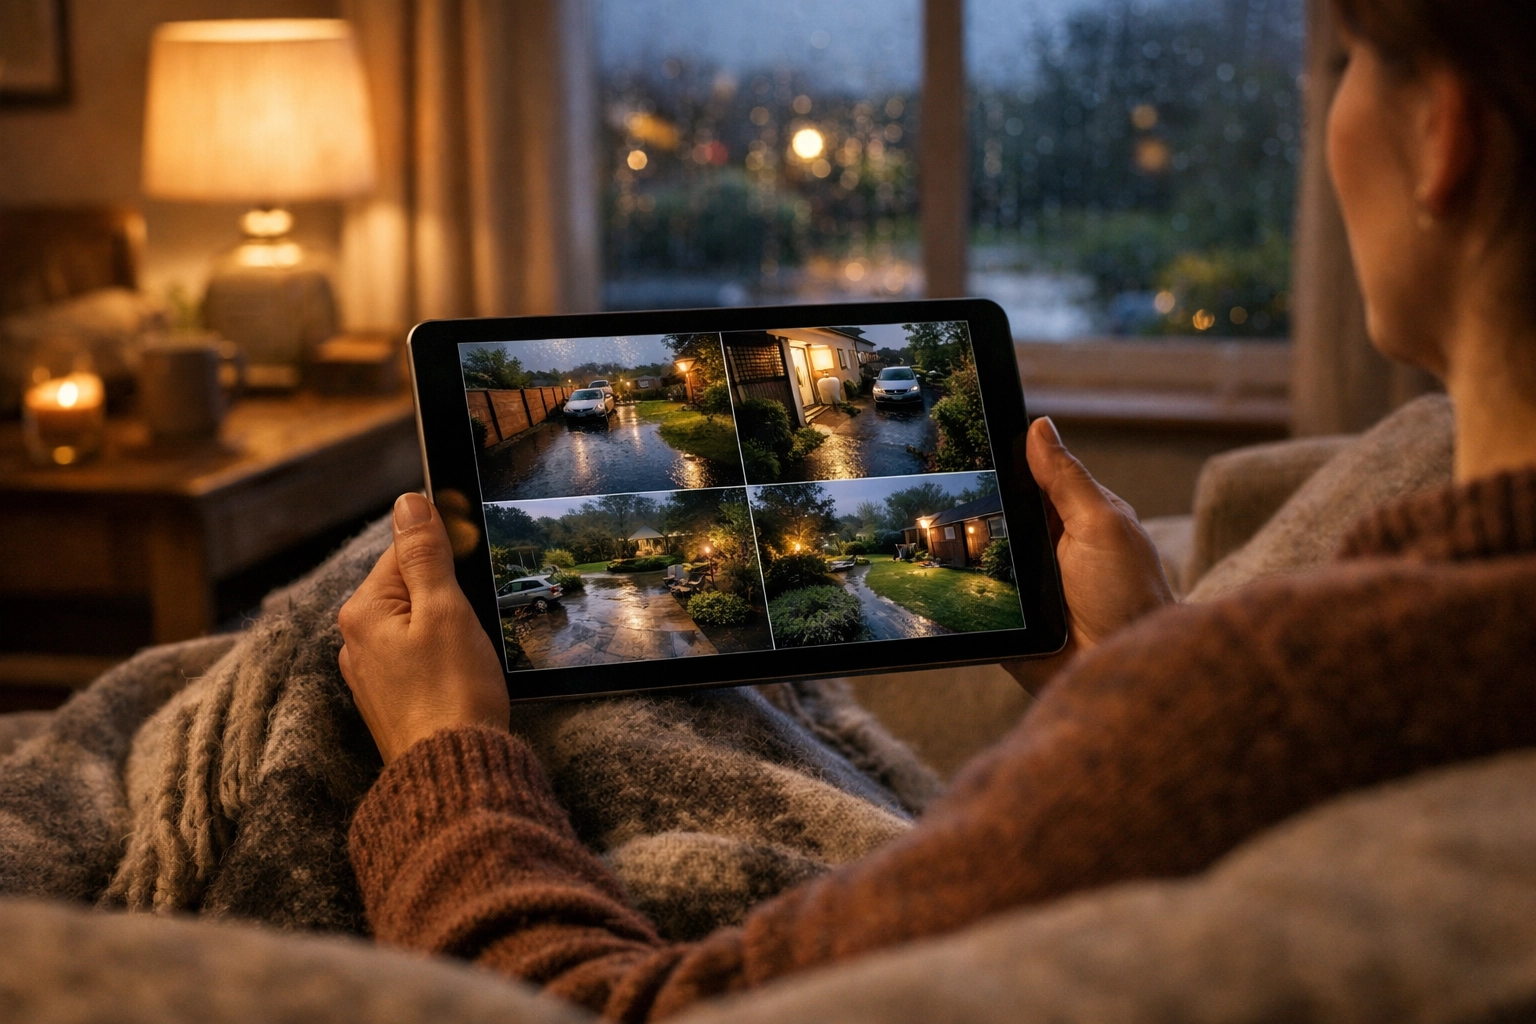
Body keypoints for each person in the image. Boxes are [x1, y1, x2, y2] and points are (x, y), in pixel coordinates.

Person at [337, 2, 1536, 1019]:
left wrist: (447, 753)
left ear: (1444, 135)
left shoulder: (1283, 697)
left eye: (1340, 68)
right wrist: (1118, 672)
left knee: (347, 626)